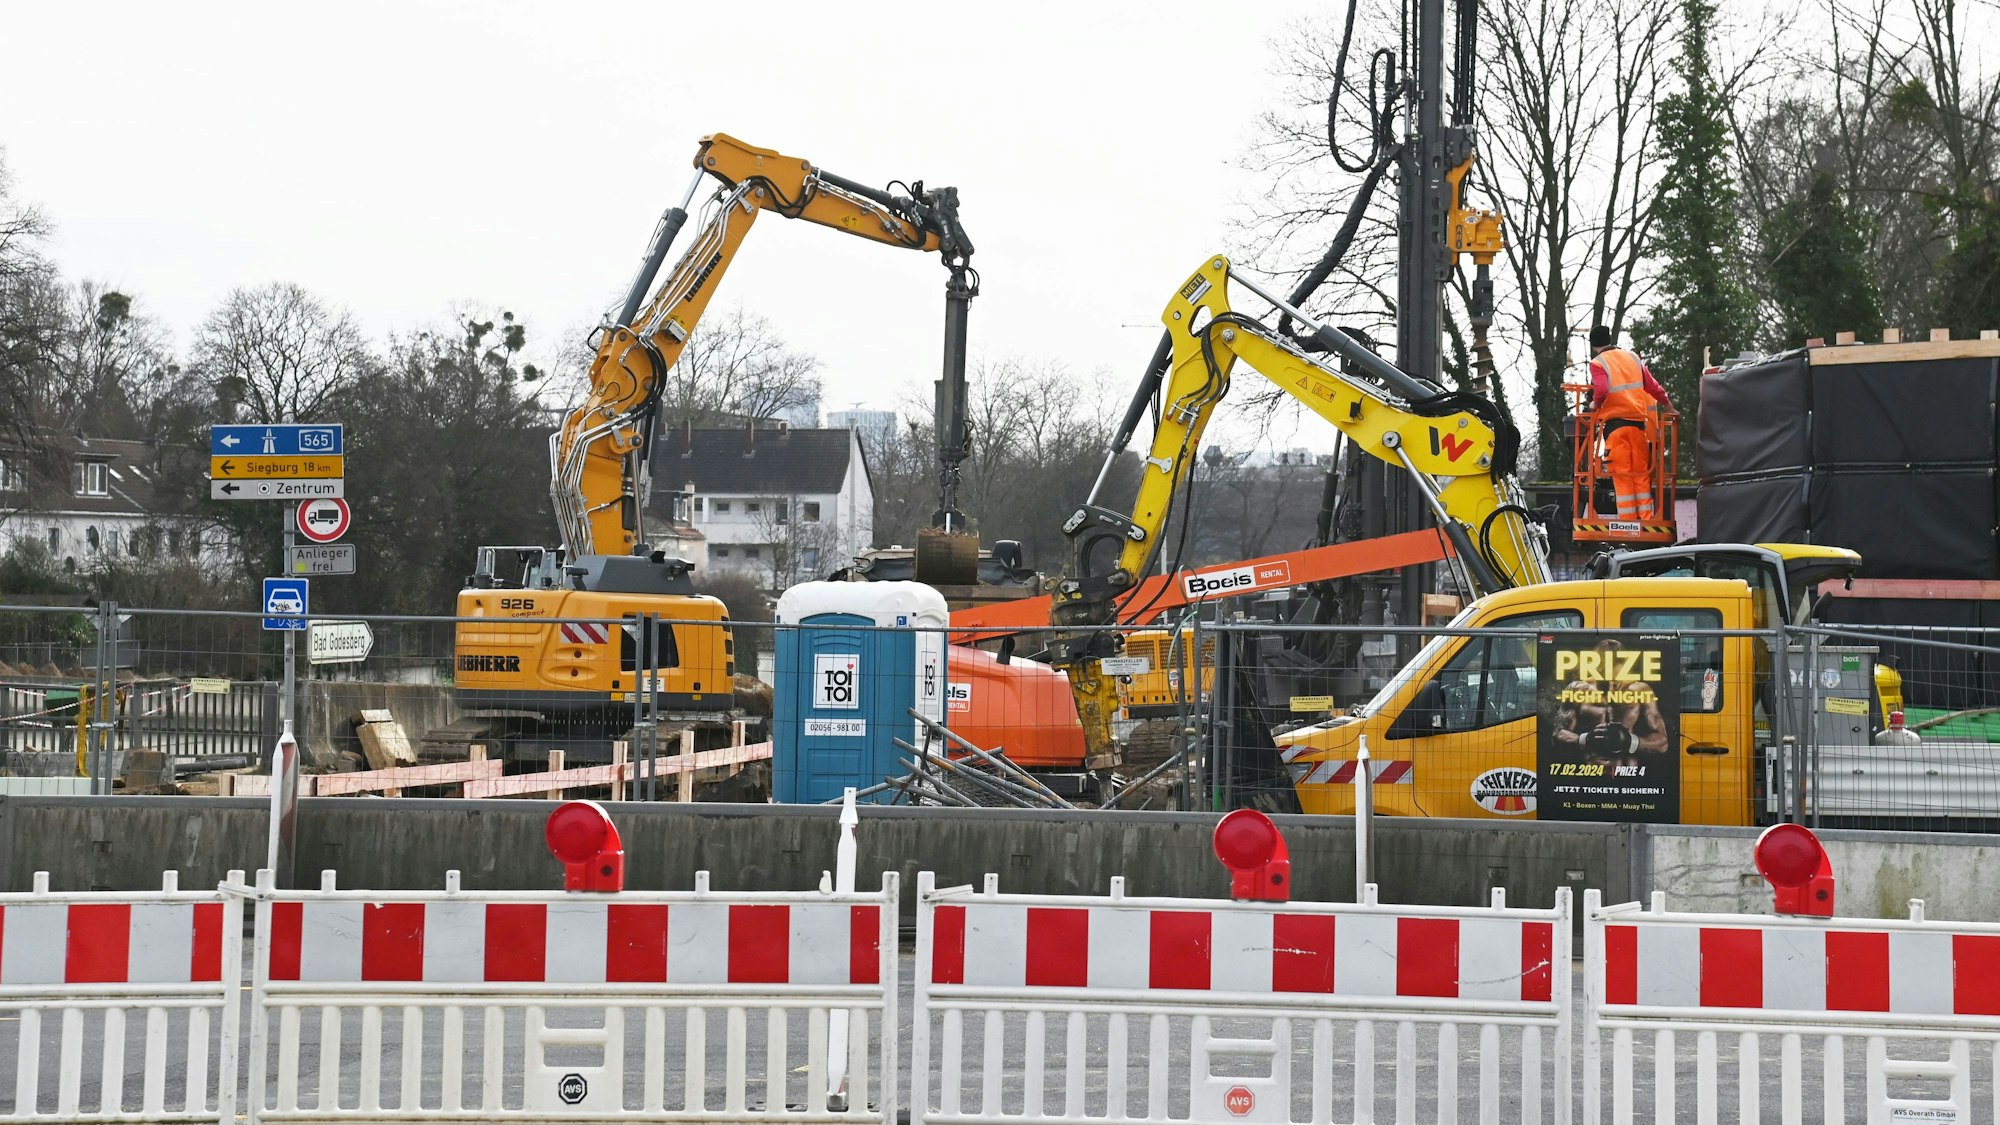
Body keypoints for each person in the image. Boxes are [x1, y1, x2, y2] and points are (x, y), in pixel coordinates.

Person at [1586, 325, 1675, 521]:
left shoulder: (1598, 362)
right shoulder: (1633, 357)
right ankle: (1646, 520)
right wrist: (1668, 405)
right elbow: (1652, 385)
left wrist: (1593, 404)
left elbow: (1601, 389)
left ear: (1593, 344)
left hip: (1615, 428)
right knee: (1641, 475)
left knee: (1623, 476)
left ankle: (1628, 525)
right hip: (1638, 427)